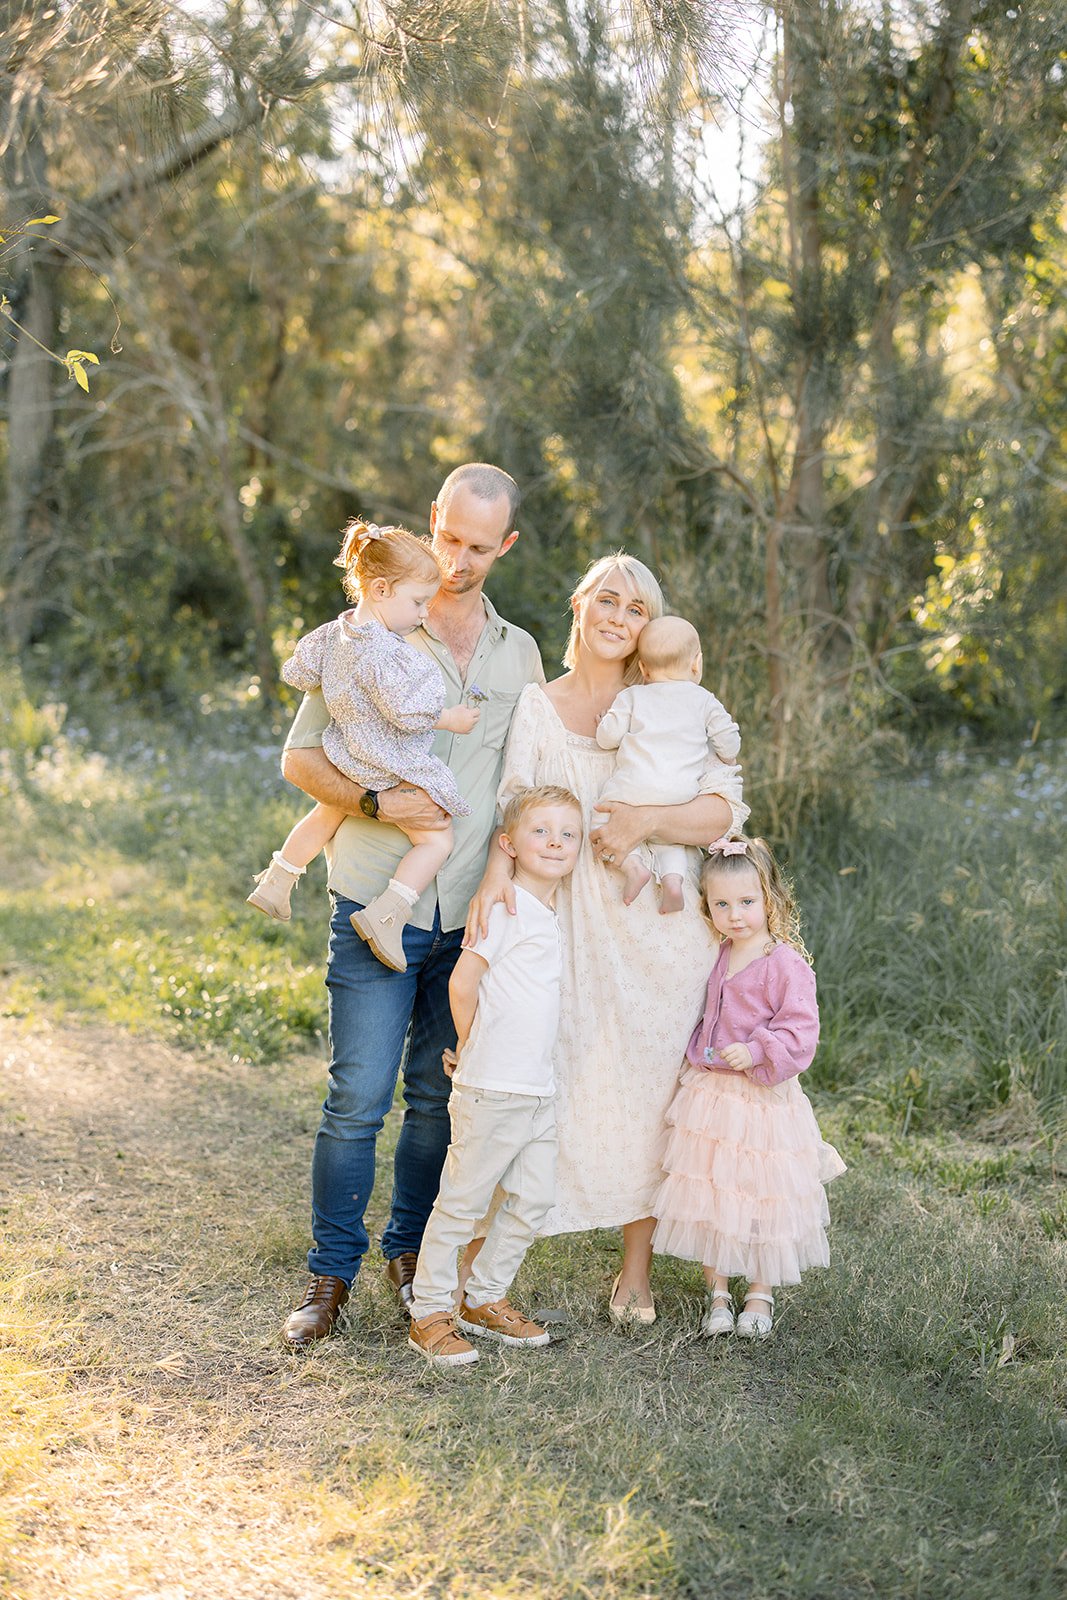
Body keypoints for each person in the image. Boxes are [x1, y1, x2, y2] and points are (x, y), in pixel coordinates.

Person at [277, 464, 544, 1351]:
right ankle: (328, 1278)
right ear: (432, 522)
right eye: (449, 539)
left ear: (503, 545)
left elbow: (528, 783)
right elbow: (302, 760)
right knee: (357, 1097)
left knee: (436, 1100)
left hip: (468, 922)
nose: (459, 560)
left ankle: (409, 1261)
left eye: (478, 547)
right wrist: (374, 803)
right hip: (372, 899)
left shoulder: (520, 654)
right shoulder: (366, 628)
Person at [465, 552, 747, 1324]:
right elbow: (514, 807)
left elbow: (722, 812)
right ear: (581, 607)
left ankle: (635, 1272)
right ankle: (481, 1258)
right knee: (547, 1076)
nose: (619, 619)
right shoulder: (537, 705)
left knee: (656, 1090)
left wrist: (647, 821)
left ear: (648, 628)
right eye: (608, 602)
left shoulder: (667, 702)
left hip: (659, 924)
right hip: (567, 921)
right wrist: (495, 878)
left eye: (635, 610)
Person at [247, 522, 480, 971]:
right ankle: (389, 913)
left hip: (347, 753)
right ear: (379, 588)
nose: (422, 615)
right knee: (437, 839)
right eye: (416, 603)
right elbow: (406, 711)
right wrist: (450, 718)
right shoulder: (385, 650)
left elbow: (299, 671)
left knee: (325, 814)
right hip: (387, 760)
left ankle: (278, 880)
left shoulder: (335, 633)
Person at [407, 785, 583, 1368]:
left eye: (568, 833)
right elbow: (463, 983)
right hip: (491, 1085)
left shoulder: (550, 913)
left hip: (537, 1090)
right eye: (542, 831)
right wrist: (468, 1045)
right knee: (461, 1202)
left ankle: (482, 1298)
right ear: (509, 844)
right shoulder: (503, 906)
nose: (556, 842)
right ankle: (430, 1311)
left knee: (535, 1198)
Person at [652, 837, 846, 1339]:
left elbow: (801, 1033)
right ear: (707, 907)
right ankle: (717, 1292)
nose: (735, 915)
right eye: (721, 904)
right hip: (711, 1096)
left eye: (746, 902)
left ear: (771, 901)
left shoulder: (784, 964)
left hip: (760, 1101)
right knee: (712, 1191)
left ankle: (760, 1292)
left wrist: (758, 1049)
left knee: (761, 1195)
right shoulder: (716, 954)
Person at [594, 614, 740, 913]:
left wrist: (604, 723)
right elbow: (728, 737)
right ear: (696, 663)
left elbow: (606, 739)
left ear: (643, 668)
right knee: (671, 840)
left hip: (633, 790)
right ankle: (673, 882)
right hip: (680, 795)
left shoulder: (632, 696)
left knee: (600, 820)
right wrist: (727, 755)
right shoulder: (703, 699)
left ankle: (632, 866)